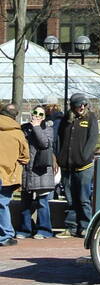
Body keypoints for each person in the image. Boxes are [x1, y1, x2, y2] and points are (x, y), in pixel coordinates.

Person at [57, 95, 99, 238]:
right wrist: (59, 157)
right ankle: (71, 227)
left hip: (84, 167)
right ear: (72, 106)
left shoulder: (90, 118)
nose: (82, 107)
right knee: (69, 199)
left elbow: (93, 139)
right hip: (66, 167)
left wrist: (83, 157)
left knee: (83, 198)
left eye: (84, 105)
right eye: (79, 105)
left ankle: (86, 226)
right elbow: (59, 139)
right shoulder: (66, 120)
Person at [19, 105, 57, 239]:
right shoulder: (24, 128)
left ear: (44, 117)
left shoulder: (48, 128)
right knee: (25, 202)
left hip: (41, 170)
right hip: (27, 169)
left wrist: (36, 127)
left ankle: (44, 230)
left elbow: (44, 143)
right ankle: (25, 229)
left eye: (40, 114)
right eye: (35, 113)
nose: (37, 116)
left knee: (42, 201)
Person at [0, 108, 31, 247]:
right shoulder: (18, 133)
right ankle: (5, 235)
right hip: (7, 174)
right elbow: (25, 157)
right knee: (3, 203)